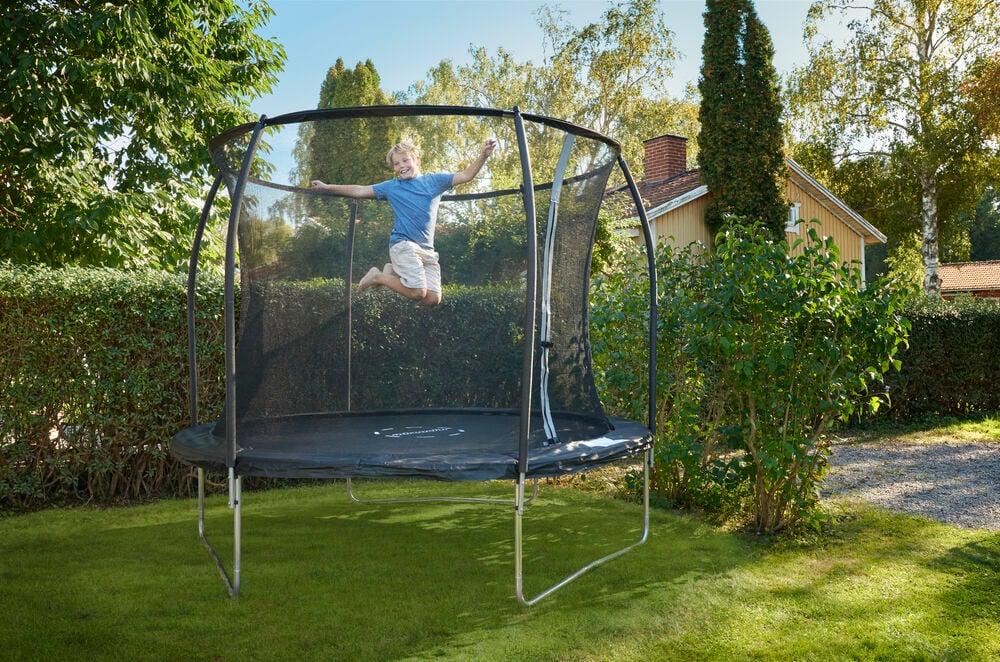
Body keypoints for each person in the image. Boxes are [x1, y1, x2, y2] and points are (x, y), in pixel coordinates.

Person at [310, 138, 497, 306]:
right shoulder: (392, 187)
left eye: (405, 160)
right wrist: (328, 187)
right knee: (417, 292)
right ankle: (378, 276)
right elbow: (360, 190)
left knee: (432, 299)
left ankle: (392, 271)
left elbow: (466, 176)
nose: (401, 166)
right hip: (403, 244)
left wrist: (484, 155)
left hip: (427, 250)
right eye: (396, 164)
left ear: (416, 160)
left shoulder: (435, 181)